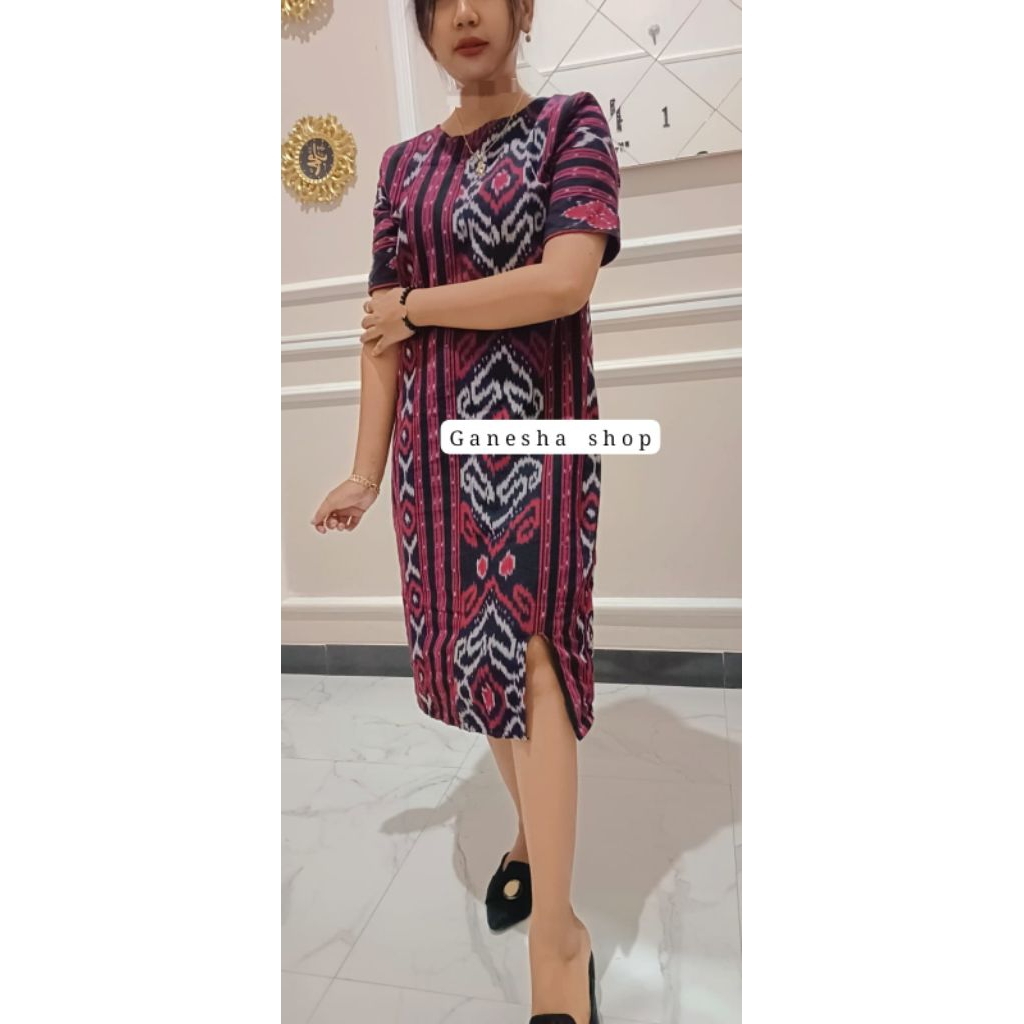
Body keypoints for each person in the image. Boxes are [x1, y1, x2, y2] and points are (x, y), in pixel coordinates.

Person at [311, 2, 620, 1021]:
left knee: (533, 652)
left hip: (541, 438)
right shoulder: (402, 168)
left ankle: (558, 941)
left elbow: (562, 283)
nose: (466, 14)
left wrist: (417, 305)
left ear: (524, 10)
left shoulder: (572, 123)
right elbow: (377, 333)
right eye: (440, 2)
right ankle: (530, 836)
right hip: (432, 461)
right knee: (481, 662)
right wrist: (365, 470)